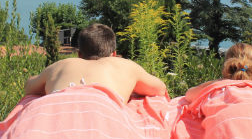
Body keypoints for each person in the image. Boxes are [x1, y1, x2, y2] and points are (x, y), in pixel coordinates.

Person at [24, 23, 167, 102]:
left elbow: (29, 87)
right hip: (102, 112)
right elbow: (160, 89)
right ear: (114, 55)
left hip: (52, 113)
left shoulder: (61, 65)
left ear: (79, 54)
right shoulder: (124, 65)